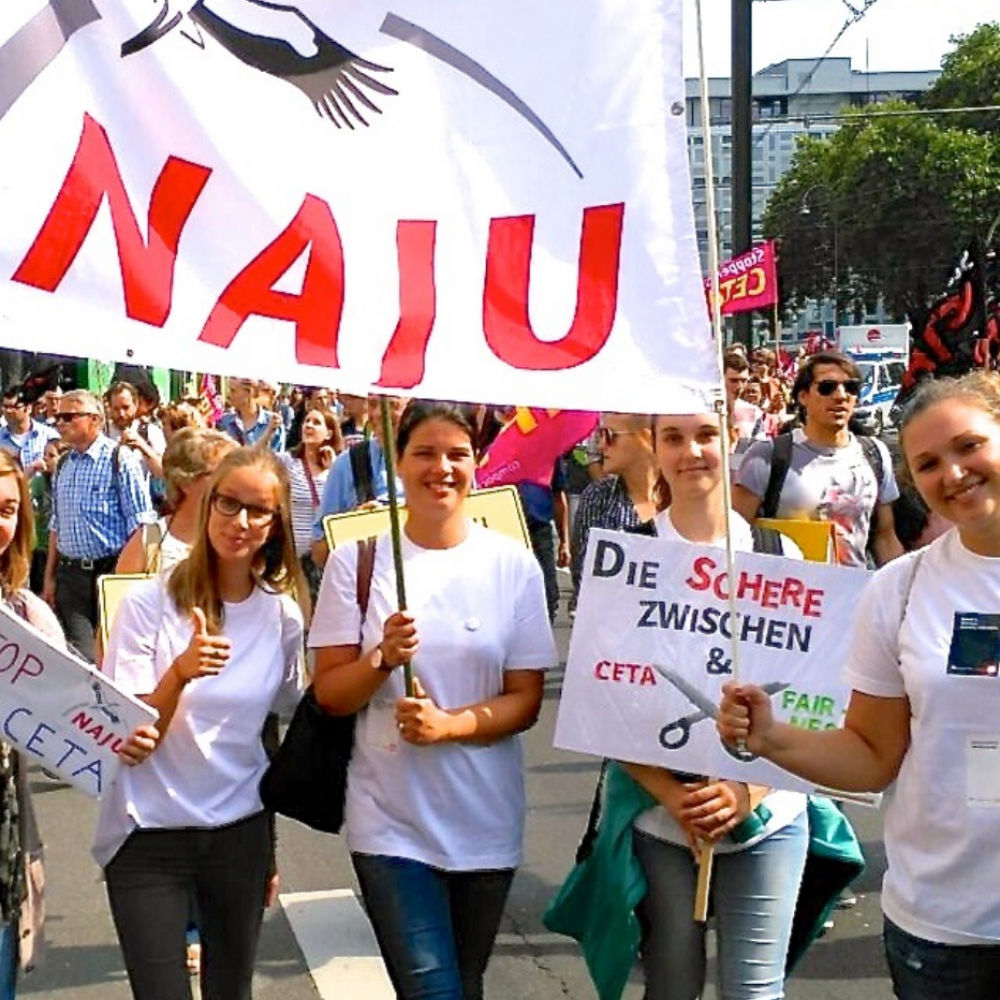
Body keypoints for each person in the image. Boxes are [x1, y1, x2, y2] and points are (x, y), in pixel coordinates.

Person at [718, 371, 1000, 1000]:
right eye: (927, 464)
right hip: (945, 928)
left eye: (969, 446)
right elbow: (872, 757)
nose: (951, 474)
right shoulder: (898, 591)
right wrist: (770, 738)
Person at [309, 400, 556, 1000]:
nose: (441, 468)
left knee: (463, 984)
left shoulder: (513, 565)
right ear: (398, 462)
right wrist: (382, 659)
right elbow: (331, 694)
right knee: (433, 992)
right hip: (389, 823)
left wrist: (450, 725)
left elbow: (525, 700)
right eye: (423, 453)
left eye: (457, 454)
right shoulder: (357, 562)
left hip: (485, 821)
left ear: (477, 463)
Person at [96, 448, 307, 1000]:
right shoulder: (148, 603)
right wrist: (180, 673)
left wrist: (270, 850)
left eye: (258, 511)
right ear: (206, 503)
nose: (240, 522)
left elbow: (269, 733)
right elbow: (130, 741)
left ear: (276, 524)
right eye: (228, 503)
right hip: (149, 834)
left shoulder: (282, 614)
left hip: (239, 833)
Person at [621, 408, 808, 1000]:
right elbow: (606, 705)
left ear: (729, 440)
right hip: (662, 817)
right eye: (673, 438)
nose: (692, 452)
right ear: (654, 447)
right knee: (672, 988)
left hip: (771, 814)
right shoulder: (628, 558)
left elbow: (812, 702)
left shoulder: (782, 554)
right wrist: (675, 795)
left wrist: (747, 792)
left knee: (754, 992)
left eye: (706, 435)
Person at [0, 450, 157, 997]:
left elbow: (78, 709)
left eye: (8, 509)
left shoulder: (24, 614)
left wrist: (132, 737)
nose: (0, 521)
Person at [734, 350, 902, 568]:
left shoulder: (875, 453)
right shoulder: (768, 454)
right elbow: (735, 535)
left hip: (855, 594)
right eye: (827, 387)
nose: (840, 396)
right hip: (790, 593)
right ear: (803, 396)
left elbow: (885, 537)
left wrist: (900, 592)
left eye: (850, 387)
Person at [43, 390, 154, 660]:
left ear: (94, 419)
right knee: (82, 656)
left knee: (114, 652)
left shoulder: (120, 459)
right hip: (70, 576)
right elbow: (57, 524)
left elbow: (141, 525)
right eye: (58, 417)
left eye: (69, 417)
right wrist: (49, 577)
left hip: (110, 571)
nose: (60, 424)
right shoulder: (64, 464)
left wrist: (127, 579)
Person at [114, 428, 237, 578]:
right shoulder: (149, 541)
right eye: (220, 473)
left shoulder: (239, 536)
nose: (231, 481)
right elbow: (120, 598)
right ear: (185, 481)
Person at [570, 413, 657, 611]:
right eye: (600, 435)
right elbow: (584, 578)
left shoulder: (683, 500)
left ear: (646, 438)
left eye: (610, 435)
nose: (601, 446)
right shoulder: (598, 497)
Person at [310, 394, 408, 568]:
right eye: (372, 404)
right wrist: (354, 525)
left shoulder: (439, 464)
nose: (378, 413)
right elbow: (319, 553)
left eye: (391, 404)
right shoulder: (348, 465)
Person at [278, 408, 339, 601]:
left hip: (328, 556)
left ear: (329, 433)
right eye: (307, 421)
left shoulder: (338, 466)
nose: (309, 426)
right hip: (297, 556)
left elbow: (342, 506)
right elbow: (255, 458)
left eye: (316, 422)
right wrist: (270, 432)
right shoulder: (289, 462)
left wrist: (334, 468)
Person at [0, 385, 58, 477]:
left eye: (14, 407)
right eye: (5, 407)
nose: (9, 411)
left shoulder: (49, 436)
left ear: (28, 408)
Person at [216, 378, 285, 451]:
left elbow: (277, 459)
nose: (228, 395)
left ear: (249, 393)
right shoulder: (224, 421)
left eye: (233, 391)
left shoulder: (273, 423)